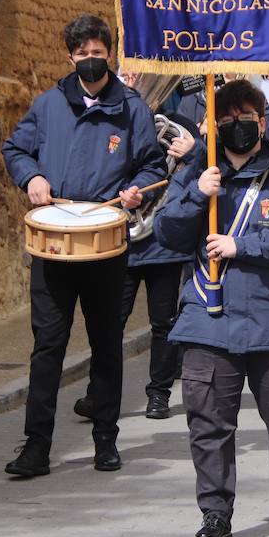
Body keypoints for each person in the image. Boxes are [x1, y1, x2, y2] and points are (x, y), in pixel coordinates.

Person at [153, 80, 269, 537]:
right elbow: (165, 232)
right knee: (208, 424)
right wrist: (194, 194)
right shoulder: (198, 175)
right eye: (225, 120)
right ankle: (215, 513)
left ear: (263, 123)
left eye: (244, 117)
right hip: (211, 321)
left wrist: (240, 244)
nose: (236, 126)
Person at [1, 14, 167, 477]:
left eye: (98, 53)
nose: (91, 61)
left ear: (108, 54)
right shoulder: (49, 104)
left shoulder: (132, 107)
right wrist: (31, 177)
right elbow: (16, 149)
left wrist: (137, 188)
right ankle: (36, 445)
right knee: (48, 345)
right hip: (54, 244)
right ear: (70, 56)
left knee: (106, 342)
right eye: (82, 54)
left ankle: (105, 439)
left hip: (104, 243)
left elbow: (153, 165)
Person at [74, 70, 199, 423]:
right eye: (126, 76)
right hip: (123, 239)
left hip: (163, 241)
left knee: (163, 322)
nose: (133, 83)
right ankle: (98, 393)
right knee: (110, 321)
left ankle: (158, 394)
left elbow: (192, 174)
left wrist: (194, 151)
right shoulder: (106, 121)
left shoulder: (177, 124)